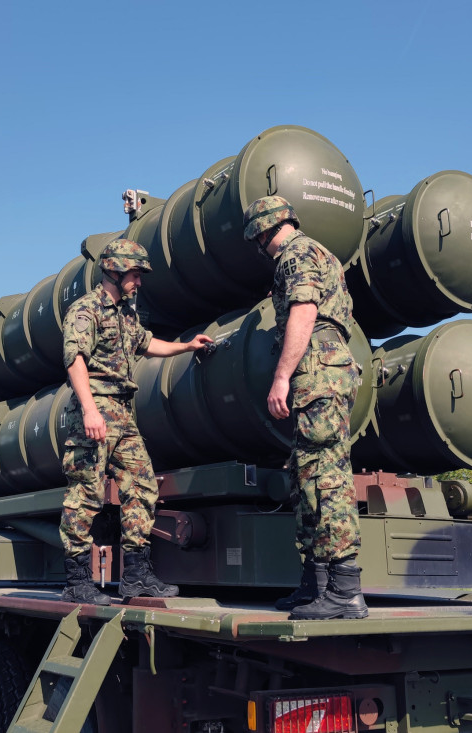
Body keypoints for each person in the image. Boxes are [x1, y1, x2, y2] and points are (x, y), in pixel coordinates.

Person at [59, 238, 213, 605]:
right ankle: (77, 579)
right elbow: (74, 360)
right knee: (86, 493)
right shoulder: (86, 310)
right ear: (113, 269)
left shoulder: (126, 314)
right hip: (94, 410)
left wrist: (187, 346)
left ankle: (137, 576)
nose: (139, 281)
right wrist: (89, 409)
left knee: (142, 486)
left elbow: (148, 344)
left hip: (123, 416)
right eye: (135, 274)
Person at [242, 196, 368, 620]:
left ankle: (345, 589)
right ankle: (316, 583)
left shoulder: (295, 255)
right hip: (324, 370)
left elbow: (303, 311)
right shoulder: (319, 252)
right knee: (306, 473)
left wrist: (281, 376)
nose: (258, 244)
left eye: (257, 235)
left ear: (266, 229)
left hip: (318, 369)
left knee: (326, 475)